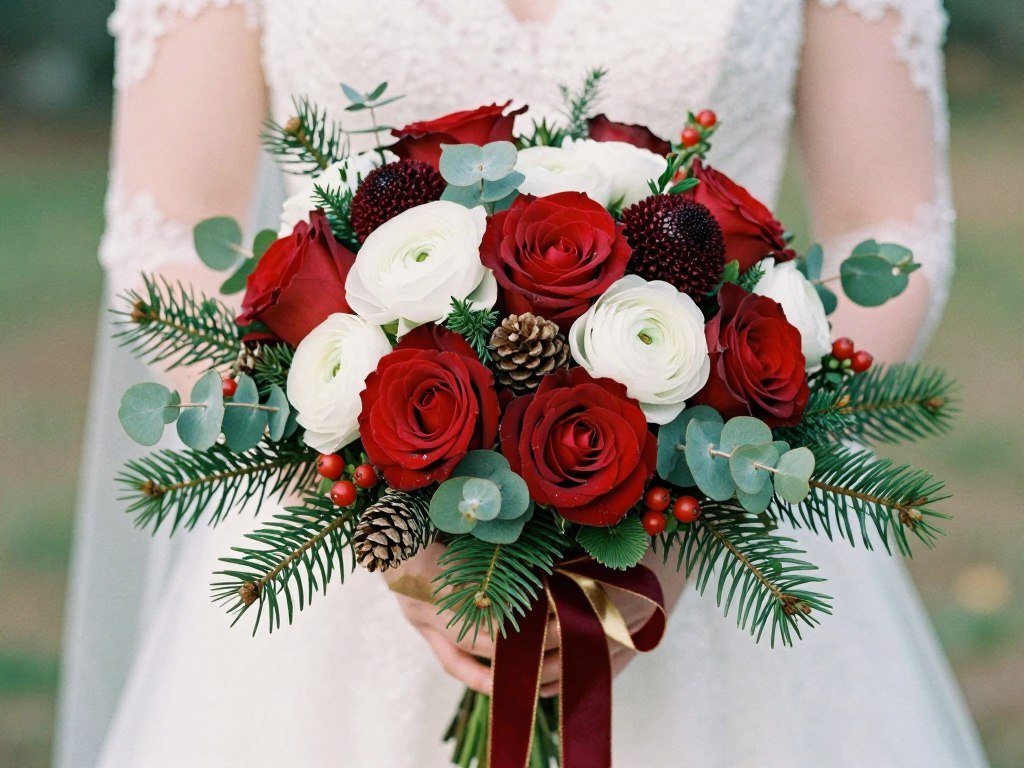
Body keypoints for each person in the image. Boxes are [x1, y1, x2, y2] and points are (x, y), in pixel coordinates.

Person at [56, 1, 988, 765]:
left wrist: (698, 508)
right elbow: (164, 232)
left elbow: (890, 226)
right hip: (335, 545)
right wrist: (372, 505)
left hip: (716, 521)